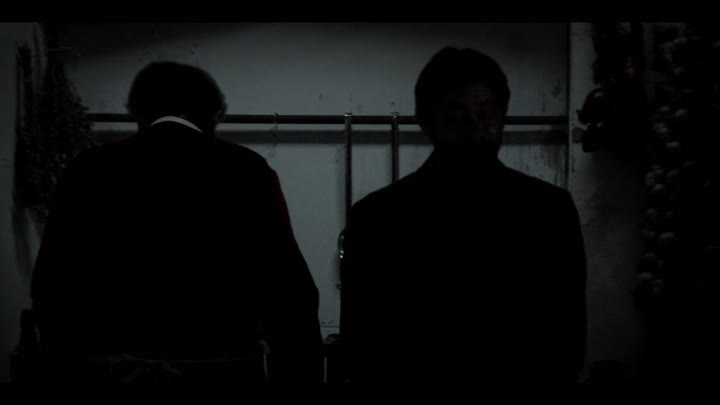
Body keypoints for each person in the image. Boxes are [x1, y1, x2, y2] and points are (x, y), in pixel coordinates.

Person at [30, 62, 322, 393]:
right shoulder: (247, 170)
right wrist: (299, 381)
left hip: (114, 379)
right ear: (216, 113)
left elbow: (53, 283)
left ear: (136, 111)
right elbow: (287, 290)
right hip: (222, 380)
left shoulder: (89, 170)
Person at [340, 47, 587, 399]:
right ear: (426, 122)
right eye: (457, 117)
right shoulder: (377, 219)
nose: (475, 131)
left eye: (487, 115)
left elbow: (566, 338)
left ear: (502, 117)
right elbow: (363, 347)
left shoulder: (549, 211)